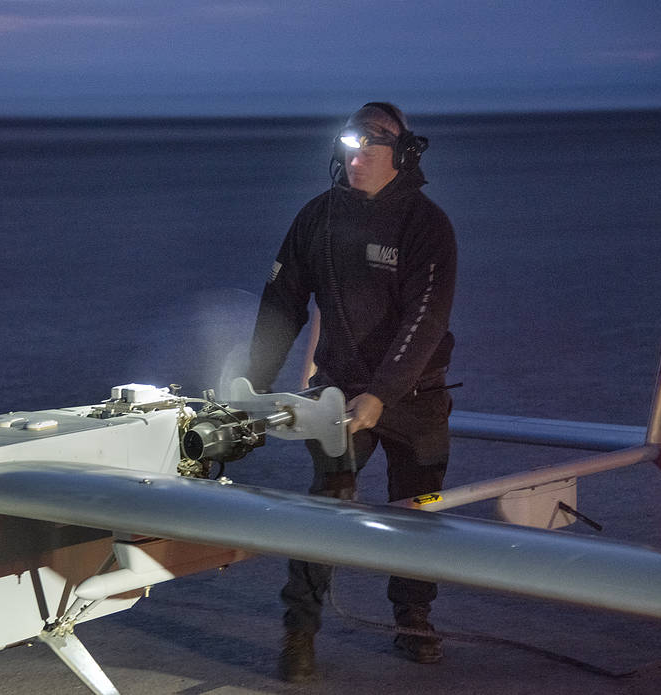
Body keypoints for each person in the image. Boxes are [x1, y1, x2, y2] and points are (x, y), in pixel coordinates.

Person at [246, 102, 457, 681]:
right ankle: (300, 633)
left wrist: (385, 393)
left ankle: (413, 619)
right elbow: (282, 303)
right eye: (349, 149)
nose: (356, 159)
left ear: (402, 154)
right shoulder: (317, 218)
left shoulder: (426, 225)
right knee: (326, 508)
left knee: (420, 512)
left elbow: (427, 318)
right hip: (339, 397)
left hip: (417, 401)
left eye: (370, 149)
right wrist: (253, 383)